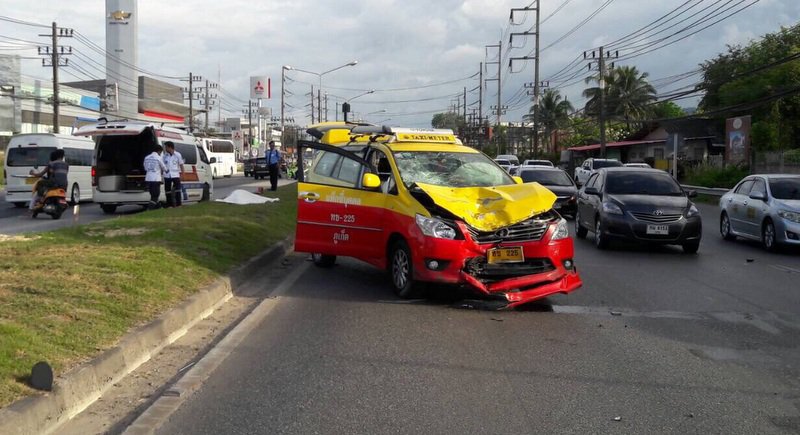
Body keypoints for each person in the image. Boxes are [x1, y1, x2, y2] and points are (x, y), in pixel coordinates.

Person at [143, 144, 167, 210]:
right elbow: (164, 168)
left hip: (148, 179)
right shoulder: (158, 158)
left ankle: (159, 208)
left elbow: (145, 168)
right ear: (159, 151)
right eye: (161, 152)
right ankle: (149, 209)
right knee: (156, 195)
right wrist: (167, 171)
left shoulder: (147, 157)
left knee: (152, 195)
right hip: (156, 179)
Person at [162, 141, 185, 207]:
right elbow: (162, 166)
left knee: (178, 190)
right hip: (167, 175)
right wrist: (161, 175)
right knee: (167, 191)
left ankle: (179, 204)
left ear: (170, 147)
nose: (165, 149)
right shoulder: (164, 156)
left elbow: (181, 165)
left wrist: (183, 174)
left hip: (175, 175)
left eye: (166, 147)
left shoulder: (178, 155)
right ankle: (169, 205)